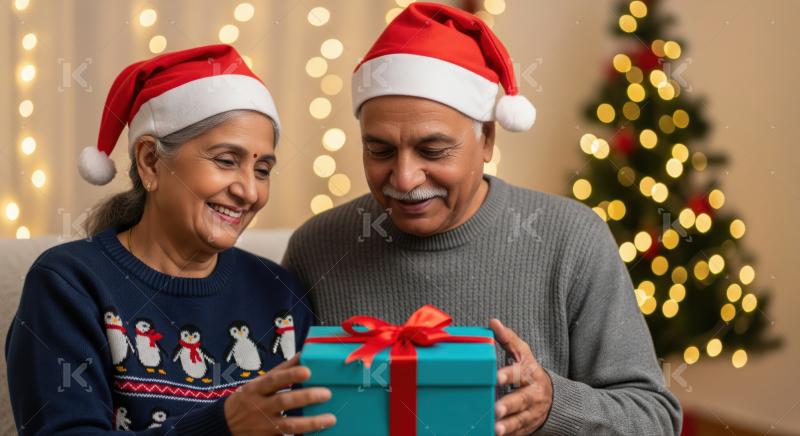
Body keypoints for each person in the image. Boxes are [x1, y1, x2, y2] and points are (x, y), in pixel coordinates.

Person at [283, 3, 681, 435]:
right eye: (379, 150)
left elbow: (655, 419)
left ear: (487, 139)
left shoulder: (572, 239)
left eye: (433, 151)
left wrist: (552, 404)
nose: (404, 177)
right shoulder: (316, 247)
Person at [6, 44, 335, 435]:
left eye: (262, 169)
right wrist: (222, 426)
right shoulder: (68, 284)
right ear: (150, 162)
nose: (249, 191)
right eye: (226, 161)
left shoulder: (281, 292)